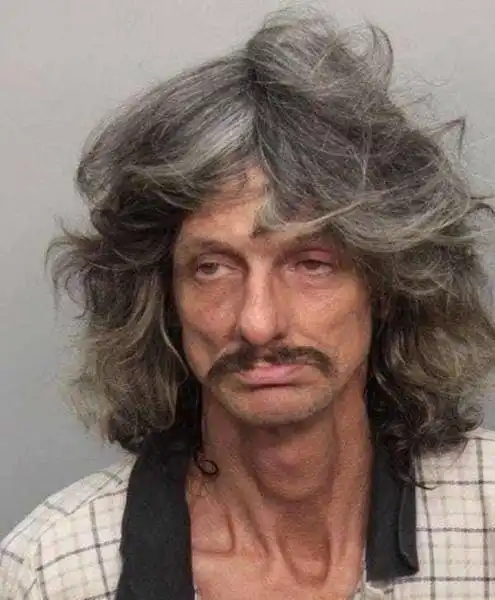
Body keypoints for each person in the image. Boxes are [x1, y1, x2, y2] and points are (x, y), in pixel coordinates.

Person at [1, 8, 495, 600]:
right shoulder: (53, 570)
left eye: (311, 263)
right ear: (163, 299)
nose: (258, 322)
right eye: (212, 268)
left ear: (388, 283)